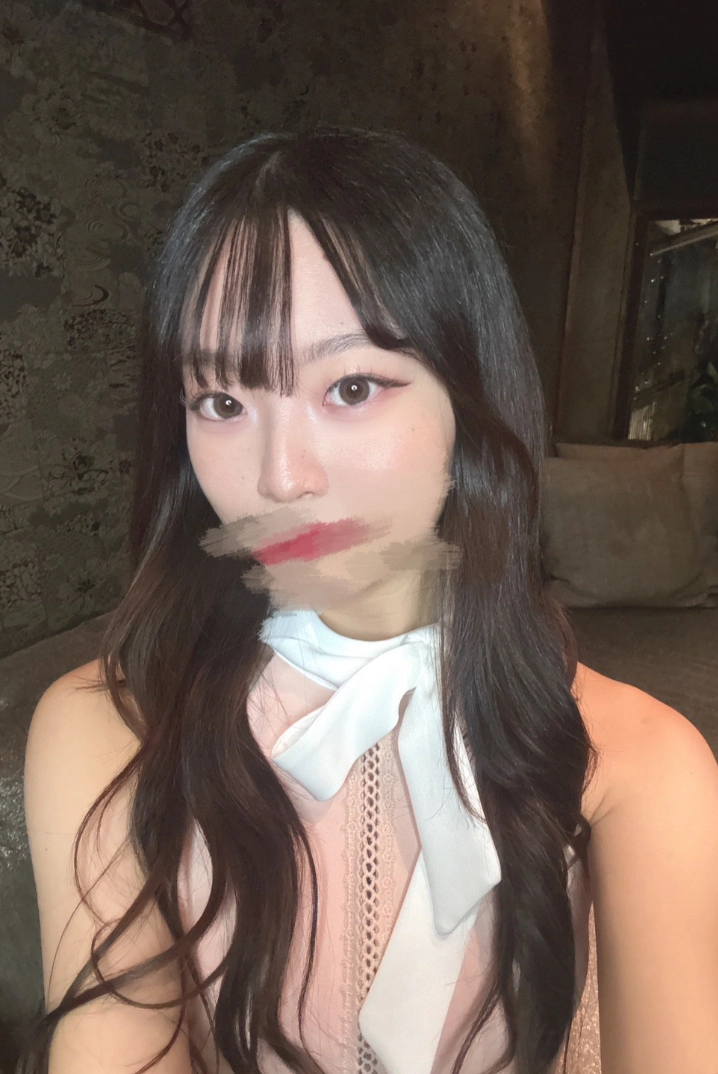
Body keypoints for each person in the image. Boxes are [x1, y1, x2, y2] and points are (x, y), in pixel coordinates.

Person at [21, 126, 718, 1074]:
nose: (280, 477)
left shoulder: (639, 762)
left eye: (351, 386)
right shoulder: (110, 729)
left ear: (468, 402)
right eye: (222, 402)